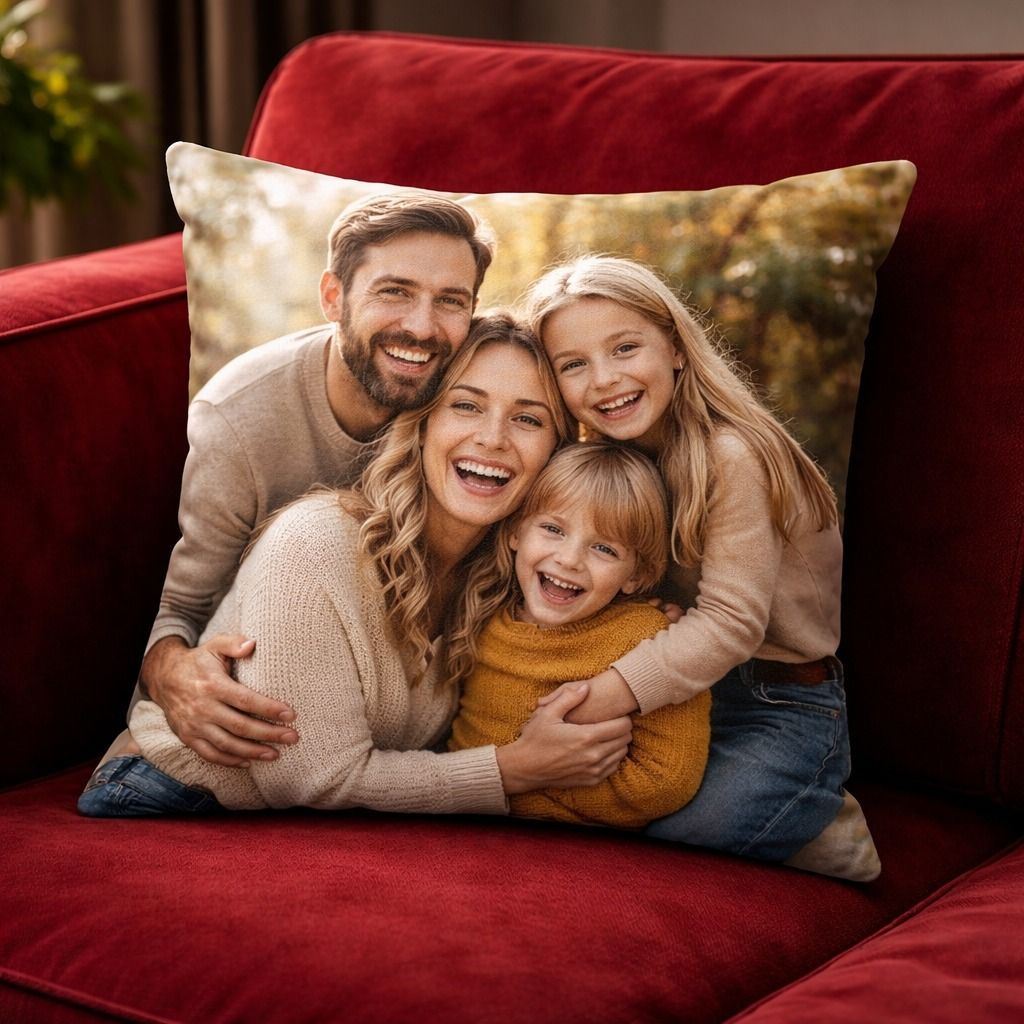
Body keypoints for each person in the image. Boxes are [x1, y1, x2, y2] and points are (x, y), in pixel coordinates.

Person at [80, 316, 635, 816]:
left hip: (297, 827)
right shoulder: (316, 544)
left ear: (556, 453)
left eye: (528, 419)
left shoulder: (500, 576)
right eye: (465, 406)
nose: (492, 438)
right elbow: (312, 779)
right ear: (421, 424)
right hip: (161, 795)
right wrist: (515, 768)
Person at [524, 255, 879, 878]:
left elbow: (733, 623)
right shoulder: (609, 461)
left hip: (782, 701)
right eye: (573, 364)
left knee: (675, 843)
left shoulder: (728, 453)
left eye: (625, 348)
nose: (604, 379)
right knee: (585, 818)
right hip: (687, 692)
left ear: (677, 349)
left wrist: (592, 701)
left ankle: (818, 816)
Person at [135, 191, 496, 768]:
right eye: (394, 292)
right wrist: (172, 670)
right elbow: (181, 605)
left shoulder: (470, 404)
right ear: (333, 297)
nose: (422, 327)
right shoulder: (241, 420)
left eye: (451, 301)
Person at [449, 442, 711, 829]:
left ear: (637, 575)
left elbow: (667, 780)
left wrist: (538, 785)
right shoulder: (485, 617)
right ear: (515, 531)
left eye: (604, 549)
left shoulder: (649, 642)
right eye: (553, 529)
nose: (569, 559)